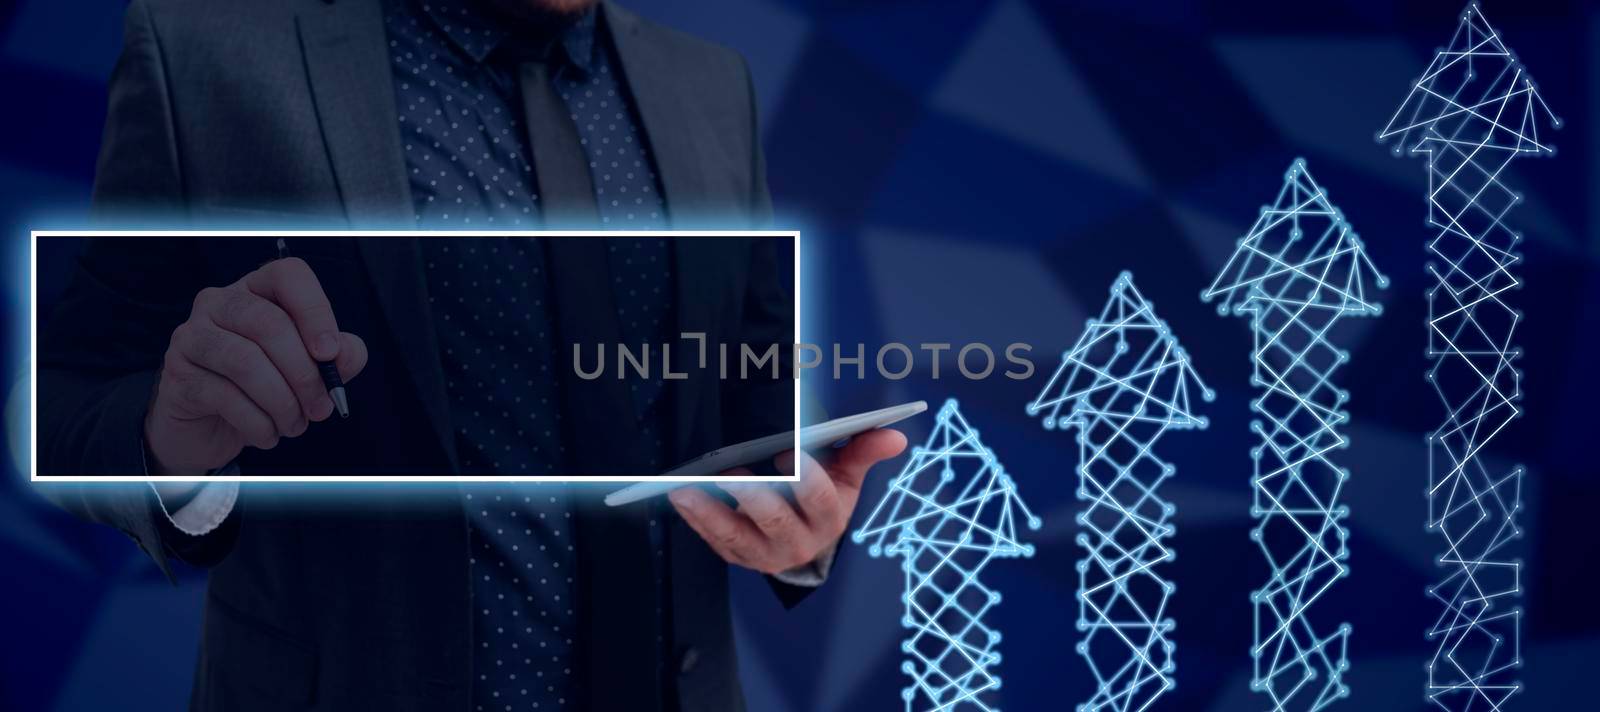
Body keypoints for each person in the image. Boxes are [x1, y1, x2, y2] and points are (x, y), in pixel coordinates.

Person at [36, 0, 906, 709]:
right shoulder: (203, 55)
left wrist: (802, 521)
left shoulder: (714, 85)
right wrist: (173, 443)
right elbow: (67, 391)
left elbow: (748, 383)